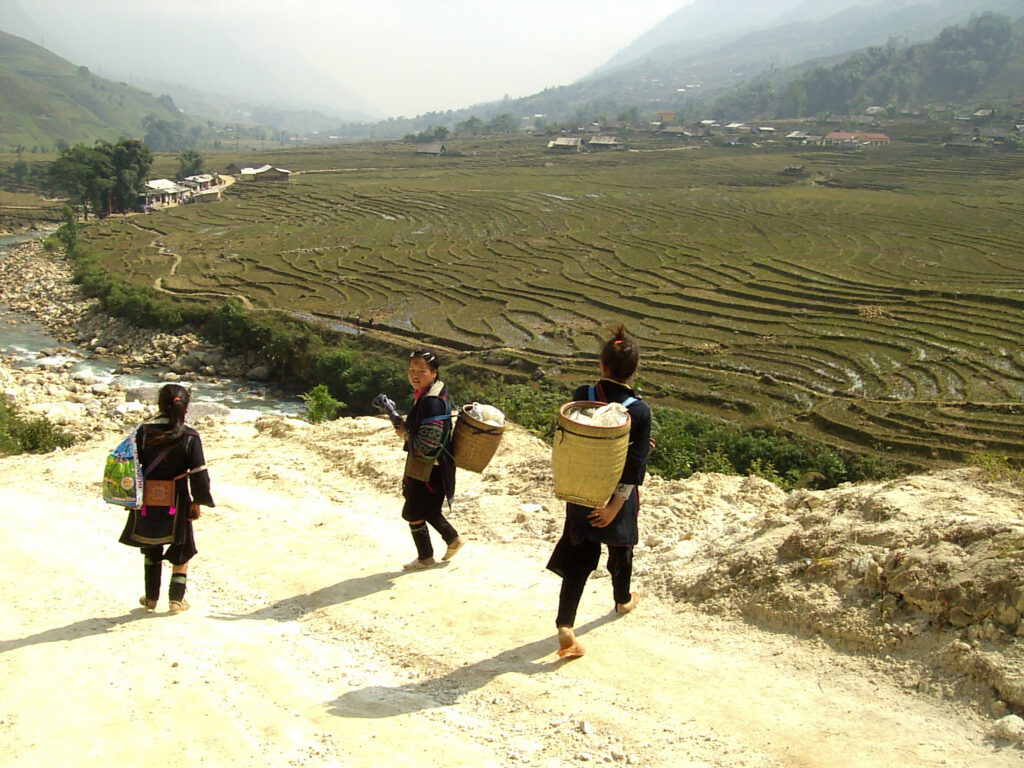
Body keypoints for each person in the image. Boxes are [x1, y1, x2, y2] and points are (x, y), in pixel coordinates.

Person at [547, 325, 652, 658]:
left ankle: (566, 625)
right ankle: (622, 600)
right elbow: (634, 465)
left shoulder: (584, 393)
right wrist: (614, 505)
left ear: (601, 365)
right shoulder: (639, 410)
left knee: (578, 558)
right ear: (635, 371)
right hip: (615, 497)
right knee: (621, 550)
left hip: (580, 490)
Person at [118, 383, 214, 613]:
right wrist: (197, 502)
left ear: (159, 405)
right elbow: (199, 473)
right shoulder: (190, 436)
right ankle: (176, 600)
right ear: (186, 407)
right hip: (178, 498)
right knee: (182, 546)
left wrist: (129, 496)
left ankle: (151, 598)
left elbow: (129, 463)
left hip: (147, 498)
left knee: (151, 544)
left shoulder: (143, 432)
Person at [394, 348, 464, 570]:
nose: (415, 374)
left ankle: (426, 557)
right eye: (412, 369)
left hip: (429, 469)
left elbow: (427, 444)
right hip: (437, 466)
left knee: (412, 512)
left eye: (422, 370)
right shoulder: (433, 393)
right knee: (429, 510)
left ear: (434, 372)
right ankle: (452, 540)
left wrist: (405, 434)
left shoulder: (431, 401)